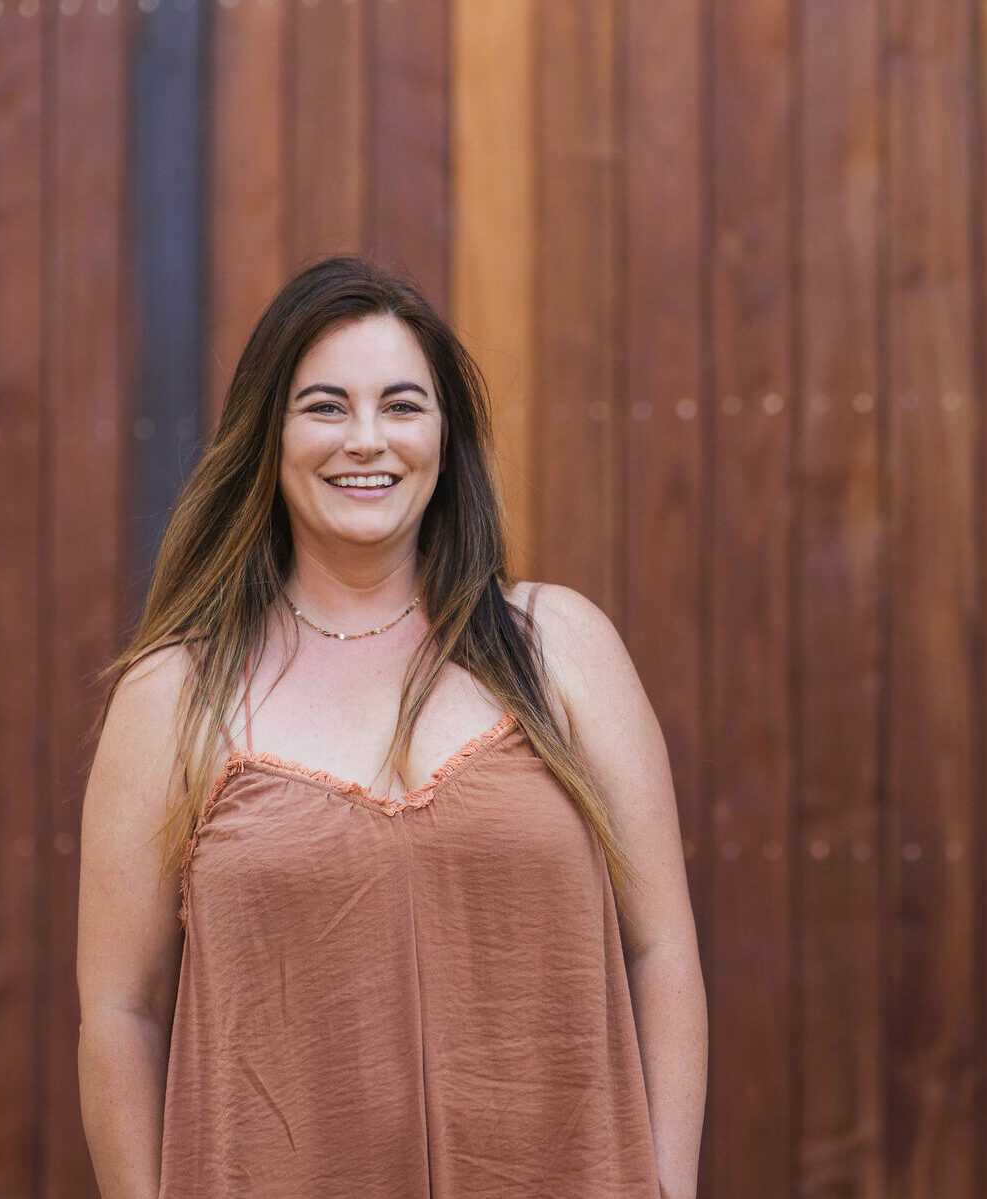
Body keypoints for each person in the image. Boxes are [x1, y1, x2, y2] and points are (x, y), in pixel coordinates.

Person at [75, 255, 707, 1197]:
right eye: (325, 406)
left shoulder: (562, 648)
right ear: (268, 436)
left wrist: (666, 1184)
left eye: (402, 406)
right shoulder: (175, 694)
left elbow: (662, 950)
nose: (366, 440)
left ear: (446, 437)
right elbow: (120, 1012)